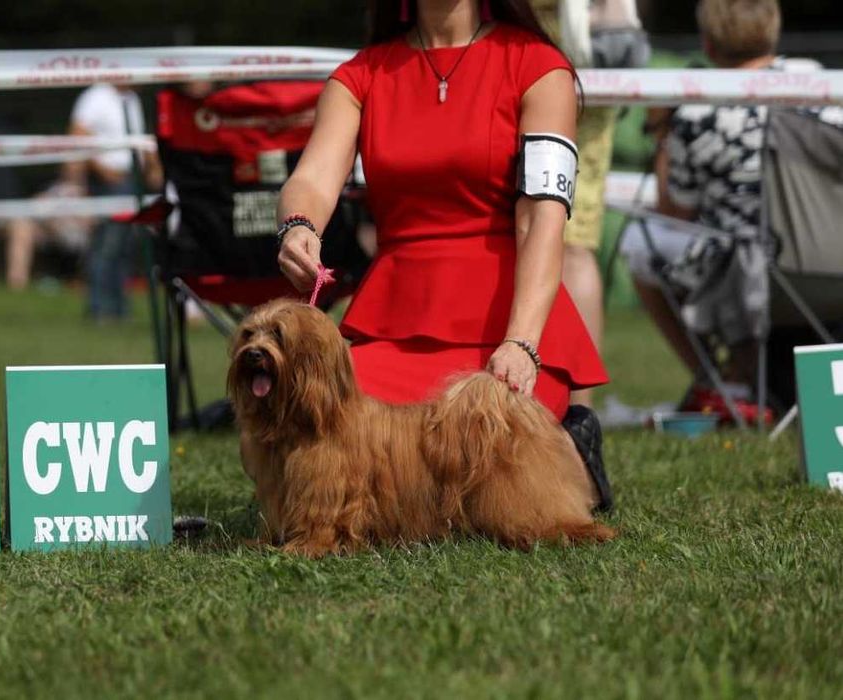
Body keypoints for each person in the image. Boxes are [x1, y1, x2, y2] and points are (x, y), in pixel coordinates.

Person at [276, 0, 613, 511]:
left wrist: (521, 342)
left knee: (490, 459)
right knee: (331, 435)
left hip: (510, 320)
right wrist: (299, 227)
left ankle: (572, 453)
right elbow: (312, 179)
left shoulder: (540, 67)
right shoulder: (358, 77)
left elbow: (541, 218)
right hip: (394, 317)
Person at [620, 0, 783, 419]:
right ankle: (740, 372)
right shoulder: (821, 89)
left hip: (742, 266)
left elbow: (675, 211)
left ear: (708, 45)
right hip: (819, 266)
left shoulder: (698, 110)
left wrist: (661, 131)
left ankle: (718, 380)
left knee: (640, 243)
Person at [530, 0, 646, 408]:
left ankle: (574, 404)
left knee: (568, 248)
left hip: (552, 63)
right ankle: (580, 406)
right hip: (587, 71)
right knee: (575, 247)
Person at [67, 83, 161, 320]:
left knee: (124, 247)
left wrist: (151, 168)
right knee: (107, 246)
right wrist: (103, 171)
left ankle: (119, 308)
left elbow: (139, 140)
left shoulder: (131, 99)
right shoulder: (96, 96)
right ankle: (100, 308)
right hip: (110, 182)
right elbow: (78, 135)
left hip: (132, 182)